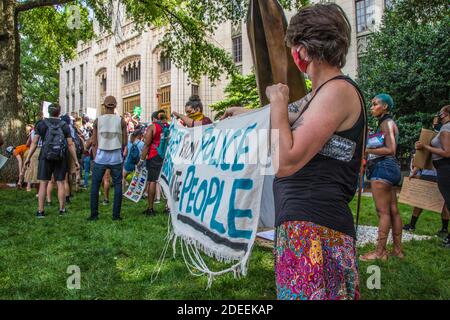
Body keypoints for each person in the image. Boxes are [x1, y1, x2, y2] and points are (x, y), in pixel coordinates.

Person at [224, 3, 364, 300]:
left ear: (301, 50)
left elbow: (286, 162)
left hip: (317, 229)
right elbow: (289, 116)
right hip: (302, 225)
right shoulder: (318, 95)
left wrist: (275, 102)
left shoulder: (337, 91)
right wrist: (248, 113)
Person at [360, 93, 403, 261]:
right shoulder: (389, 123)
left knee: (383, 212)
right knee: (393, 211)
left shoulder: (386, 123)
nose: (371, 107)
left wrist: (367, 150)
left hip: (383, 168)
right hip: (392, 168)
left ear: (385, 106)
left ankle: (379, 252)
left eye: (375, 104)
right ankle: (397, 251)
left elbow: (390, 149)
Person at [24, 103, 79, 217]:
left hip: (45, 156)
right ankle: (62, 210)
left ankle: (40, 211)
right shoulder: (64, 125)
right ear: (59, 112)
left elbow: (34, 143)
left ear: (48, 112)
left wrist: (28, 158)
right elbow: (70, 144)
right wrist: (76, 160)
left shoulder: (41, 124)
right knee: (60, 183)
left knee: (43, 183)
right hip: (60, 156)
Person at [88, 96, 127, 221]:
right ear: (115, 106)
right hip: (116, 158)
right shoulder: (121, 121)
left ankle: (94, 215)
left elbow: (94, 142)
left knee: (95, 185)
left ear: (104, 106)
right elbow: (125, 142)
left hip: (101, 157)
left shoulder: (98, 120)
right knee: (117, 185)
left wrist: (95, 156)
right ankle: (116, 215)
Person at [415, 105, 450, 247]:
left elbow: (447, 152)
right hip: (444, 167)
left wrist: (425, 147)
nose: (439, 115)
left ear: (445, 114)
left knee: (449, 201)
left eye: (440, 113)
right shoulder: (445, 128)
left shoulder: (446, 129)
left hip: (446, 167)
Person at [138, 110, 170, 216]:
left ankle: (150, 209)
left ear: (154, 119)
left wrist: (141, 160)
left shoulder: (152, 127)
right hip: (166, 157)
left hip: (154, 156)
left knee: (152, 181)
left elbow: (146, 145)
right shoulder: (169, 127)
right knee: (166, 182)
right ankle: (168, 207)